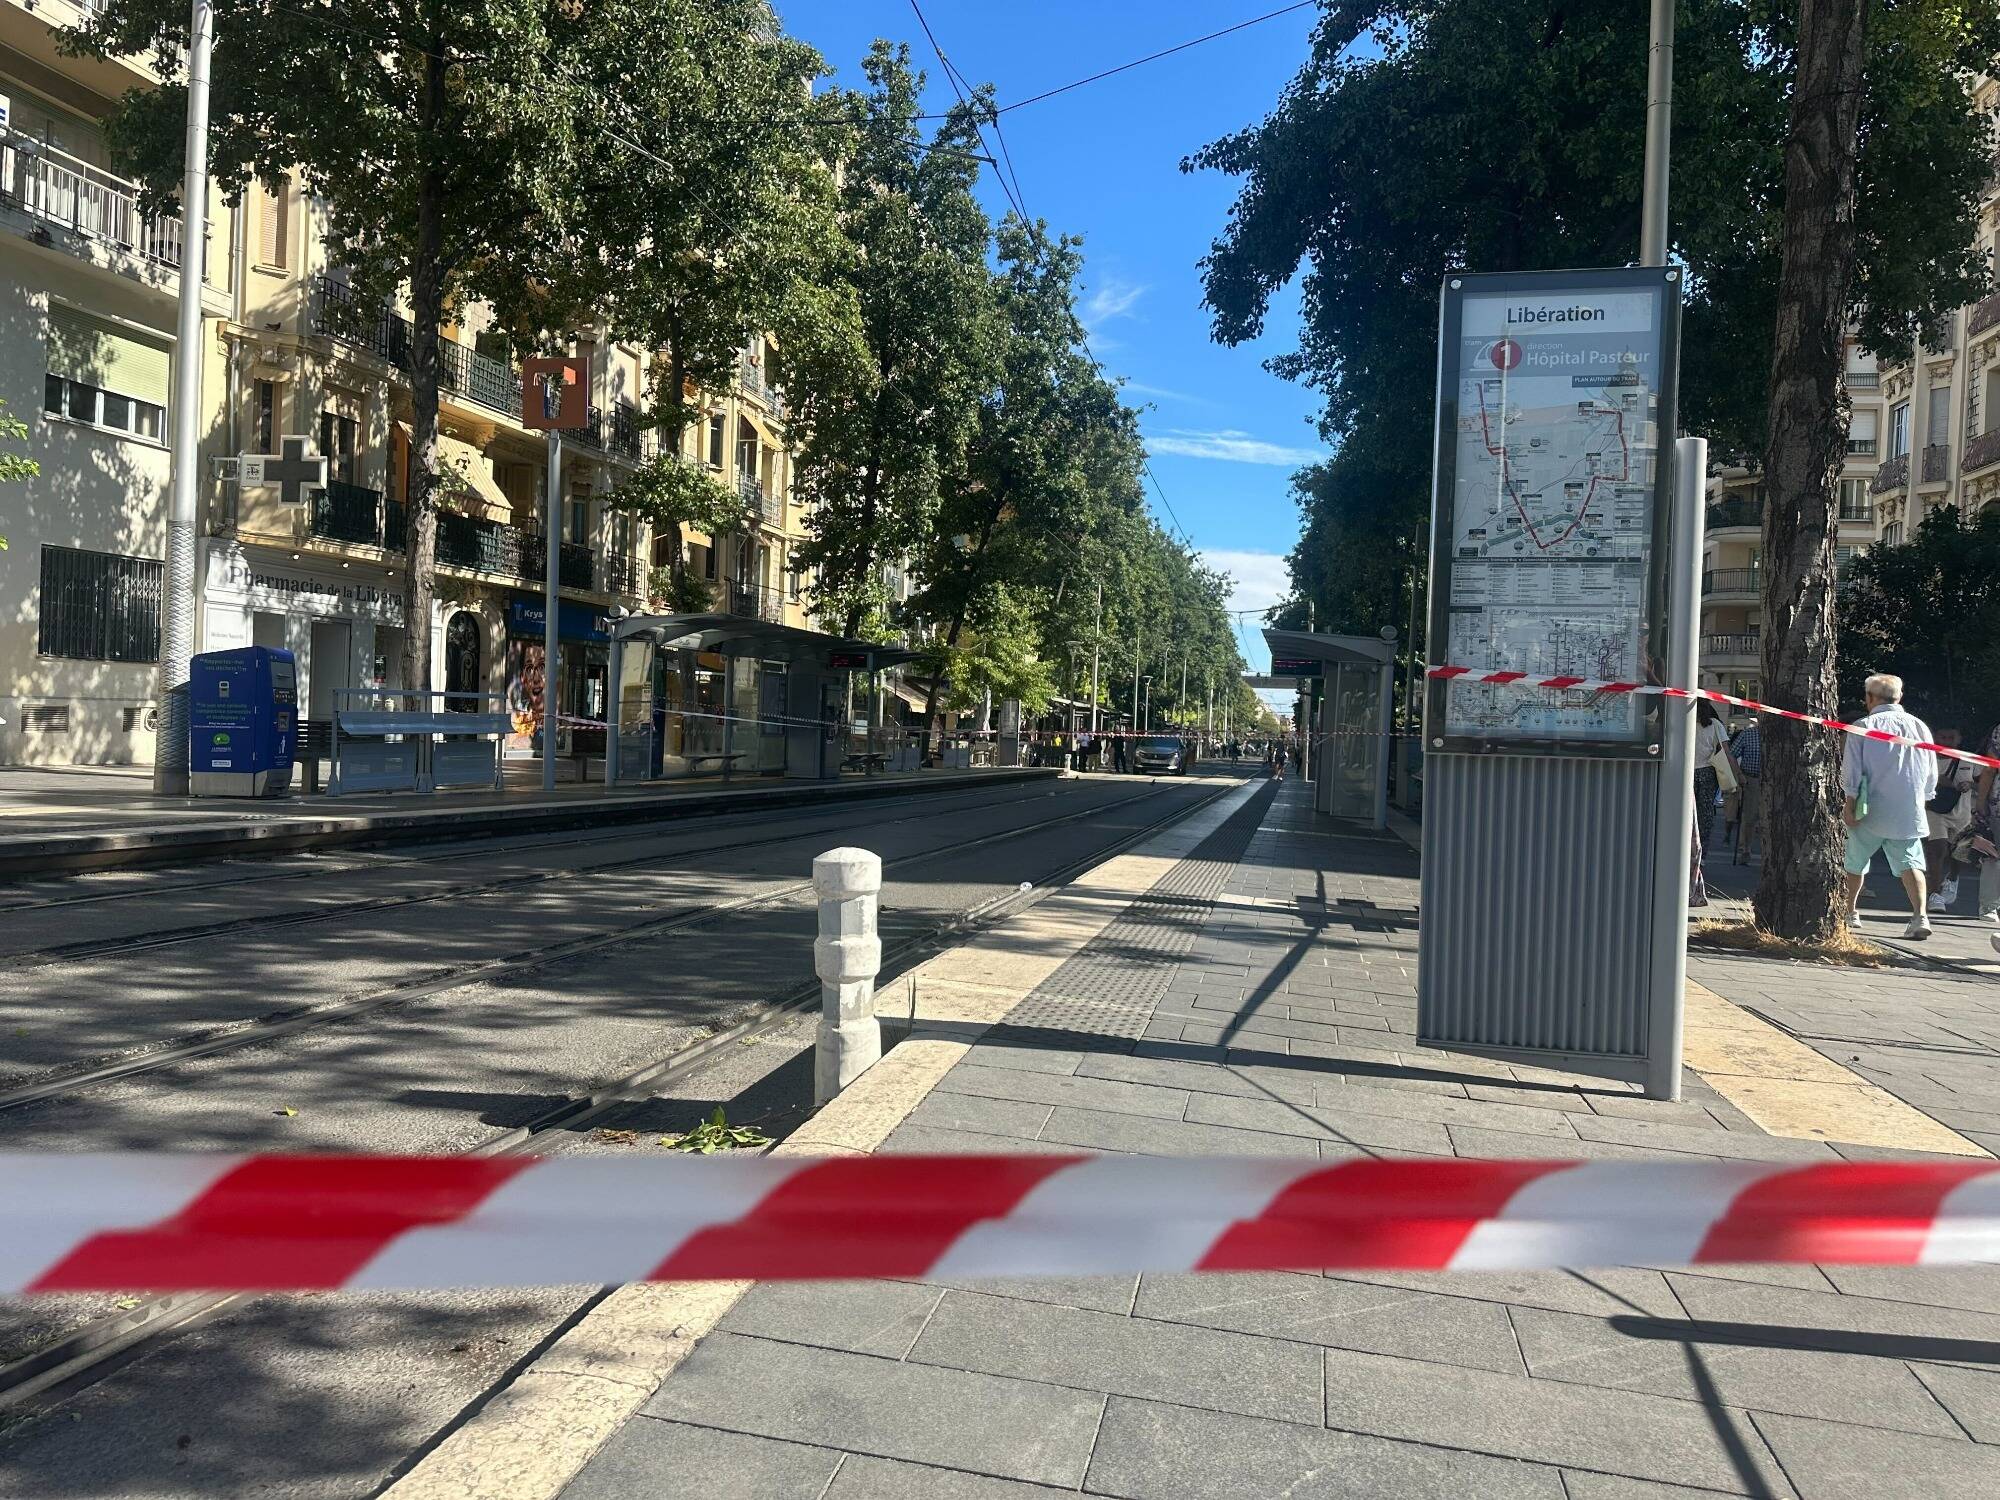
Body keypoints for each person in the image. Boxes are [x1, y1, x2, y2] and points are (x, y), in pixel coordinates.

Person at [1841, 673, 1938, 939]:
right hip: (1907, 807)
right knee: (1911, 864)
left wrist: (1849, 801)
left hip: (1869, 805)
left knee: (1855, 862)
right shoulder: (1920, 726)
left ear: (1869, 697)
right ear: (1899, 696)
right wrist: (1925, 796)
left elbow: (1852, 769)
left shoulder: (1863, 725)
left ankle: (1849, 912)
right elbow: (1931, 769)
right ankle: (1920, 916)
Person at [1925, 727, 1977, 912]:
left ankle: (1952, 879)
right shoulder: (1926, 756)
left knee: (1960, 853)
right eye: (1942, 736)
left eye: (1951, 737)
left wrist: (1970, 784)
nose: (1946, 740)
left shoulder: (1968, 759)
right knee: (1936, 849)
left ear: (1959, 739)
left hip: (1962, 813)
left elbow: (1983, 779)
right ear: (1935, 737)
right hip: (1934, 810)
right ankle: (1935, 894)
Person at [1689, 701, 1735, 906]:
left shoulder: (1686, 720)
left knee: (1688, 815)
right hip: (1708, 772)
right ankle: (1703, 855)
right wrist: (1737, 776)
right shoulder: (1715, 724)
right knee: (1705, 814)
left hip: (1688, 770)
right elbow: (1725, 750)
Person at [1730, 716, 1763, 865]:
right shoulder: (1748, 734)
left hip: (1771, 781)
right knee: (1750, 817)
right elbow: (1732, 753)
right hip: (1752, 779)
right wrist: (1739, 775)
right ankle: (1745, 849)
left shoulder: (1779, 736)